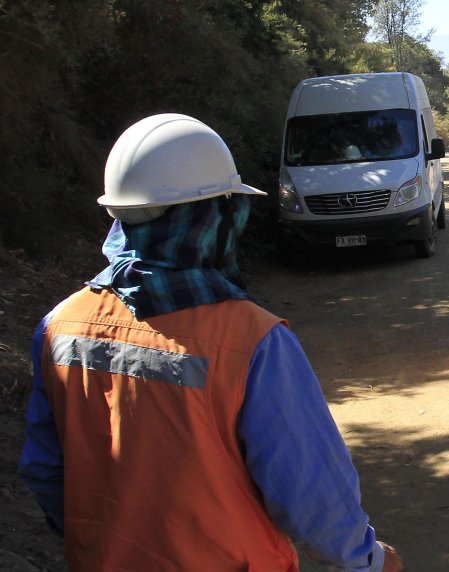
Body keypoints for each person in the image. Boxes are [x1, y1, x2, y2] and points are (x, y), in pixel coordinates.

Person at [17, 113, 404, 572]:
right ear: (215, 215)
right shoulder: (254, 339)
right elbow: (310, 491)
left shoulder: (59, 325)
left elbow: (45, 469)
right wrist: (368, 560)